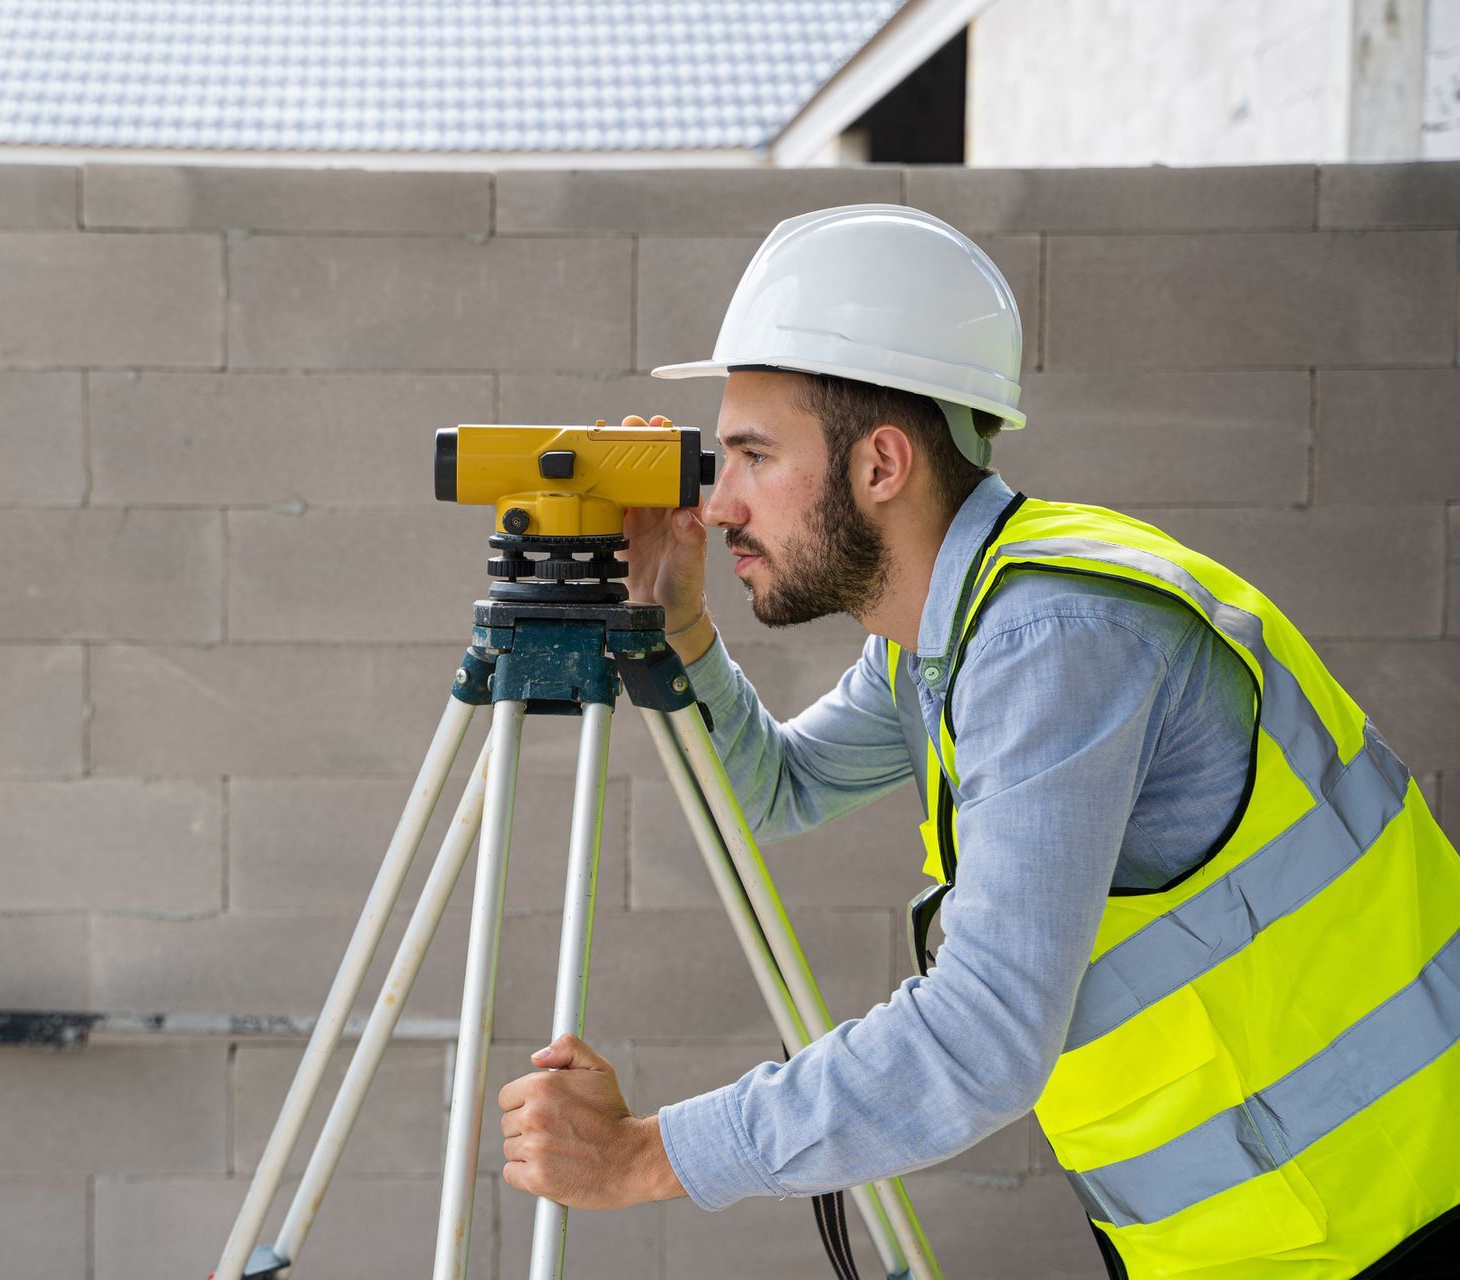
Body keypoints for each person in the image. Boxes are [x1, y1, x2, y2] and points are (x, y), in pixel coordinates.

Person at [494, 205, 1460, 1279]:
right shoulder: (954, 631)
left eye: (754, 456)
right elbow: (778, 788)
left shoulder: (1053, 638)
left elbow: (985, 1034)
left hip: (1389, 1209)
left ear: (882, 463)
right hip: (1270, 1228)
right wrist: (677, 626)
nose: (716, 505)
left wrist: (648, 1155)